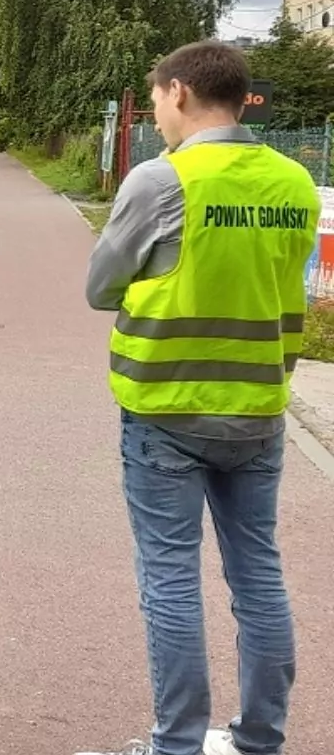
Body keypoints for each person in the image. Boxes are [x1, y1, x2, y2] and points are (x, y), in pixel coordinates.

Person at [78, 41, 316, 755]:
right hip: (260, 409)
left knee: (171, 580)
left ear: (179, 92)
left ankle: (177, 745)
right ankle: (259, 740)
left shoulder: (162, 181)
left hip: (167, 407)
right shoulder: (294, 182)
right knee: (259, 574)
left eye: (156, 98)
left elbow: (100, 288)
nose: (156, 112)